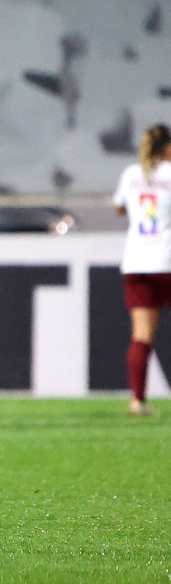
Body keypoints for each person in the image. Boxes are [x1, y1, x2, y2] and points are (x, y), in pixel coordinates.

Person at [114, 124, 171, 416]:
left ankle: (138, 400)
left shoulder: (131, 174)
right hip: (167, 261)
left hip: (137, 262)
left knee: (142, 335)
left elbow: (119, 208)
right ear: (167, 148)